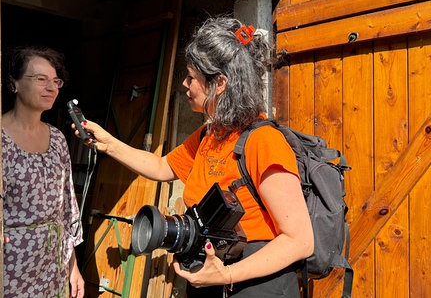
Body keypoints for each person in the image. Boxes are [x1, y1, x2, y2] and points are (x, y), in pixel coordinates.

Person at [75, 17, 314, 297]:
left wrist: (226, 275)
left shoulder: (264, 141)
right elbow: (162, 166)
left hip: (255, 286)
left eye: (191, 77)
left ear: (220, 82)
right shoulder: (209, 134)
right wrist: (109, 144)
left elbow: (300, 241)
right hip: (210, 280)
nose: (185, 84)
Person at [2, 46, 85, 298]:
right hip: (9, 265)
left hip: (53, 264)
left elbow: (68, 208)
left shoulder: (58, 138)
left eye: (55, 81)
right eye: (40, 79)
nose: (52, 88)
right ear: (14, 83)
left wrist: (73, 267)